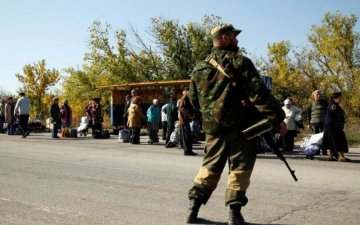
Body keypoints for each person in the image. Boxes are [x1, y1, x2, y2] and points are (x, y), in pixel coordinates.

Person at [186, 24, 286, 225]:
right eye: (233, 36)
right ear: (223, 38)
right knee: (240, 169)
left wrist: (212, 114)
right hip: (241, 129)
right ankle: (234, 214)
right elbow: (259, 94)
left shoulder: (199, 68)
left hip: (213, 130)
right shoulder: (241, 62)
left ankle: (193, 209)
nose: (237, 40)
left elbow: (194, 101)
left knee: (209, 168)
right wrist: (277, 118)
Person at [322, 92, 350, 162]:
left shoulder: (335, 104)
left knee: (331, 141)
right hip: (333, 127)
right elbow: (332, 109)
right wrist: (333, 108)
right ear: (335, 98)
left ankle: (331, 156)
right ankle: (341, 157)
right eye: (340, 98)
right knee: (339, 141)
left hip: (331, 127)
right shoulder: (332, 104)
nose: (341, 99)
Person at [178, 87, 197, 156]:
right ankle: (187, 151)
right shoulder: (184, 99)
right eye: (189, 92)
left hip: (186, 120)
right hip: (183, 120)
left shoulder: (187, 99)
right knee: (186, 137)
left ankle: (189, 150)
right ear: (186, 92)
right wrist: (189, 114)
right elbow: (182, 108)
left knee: (188, 136)